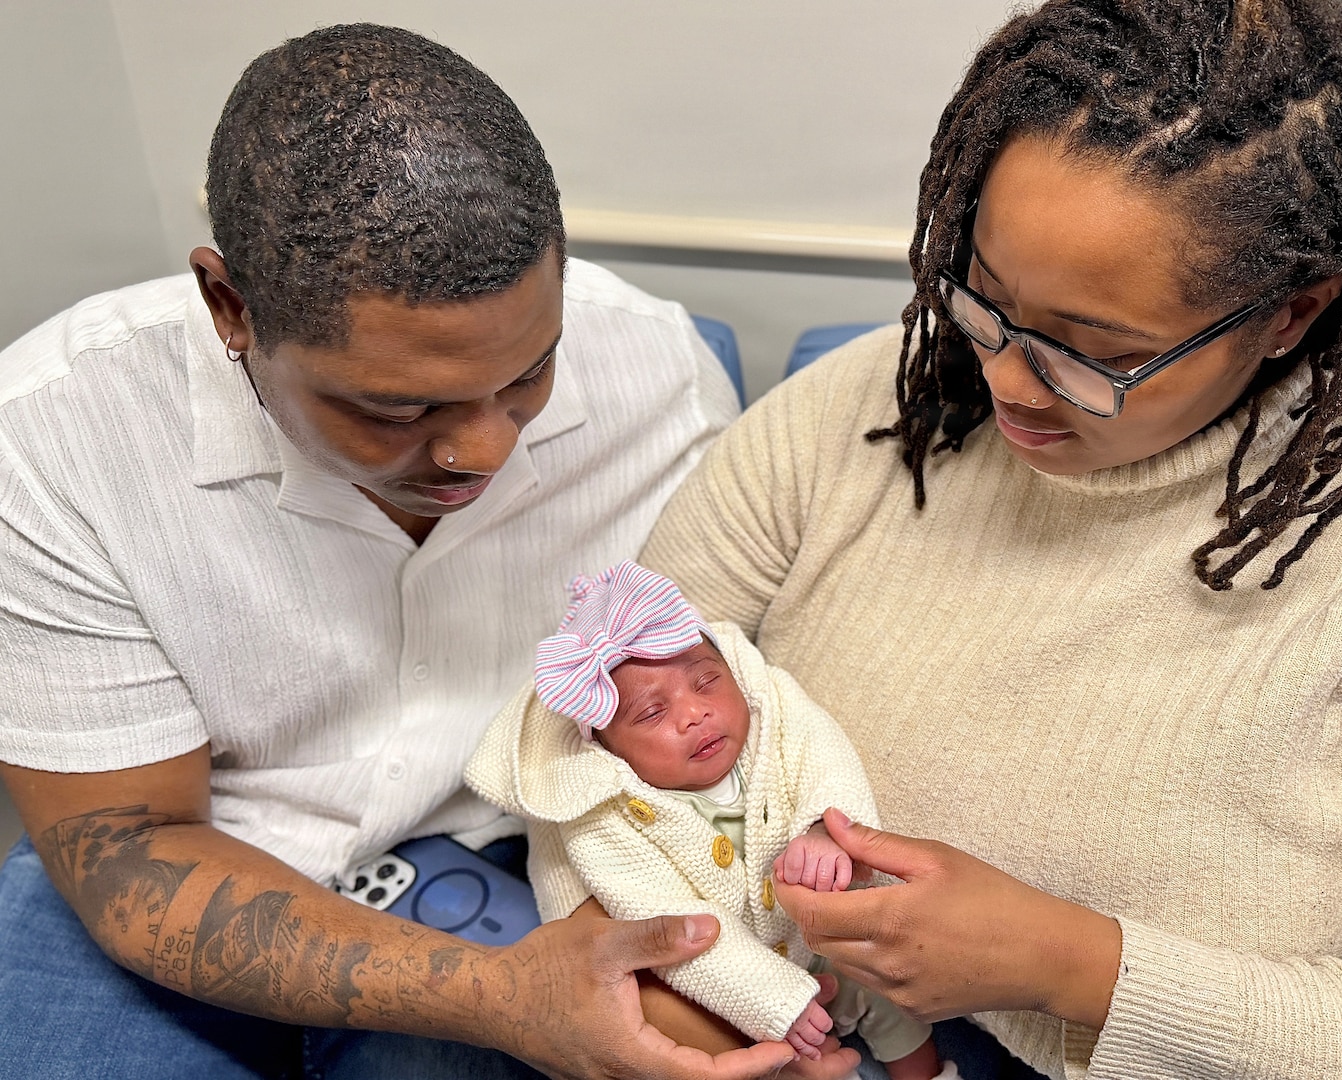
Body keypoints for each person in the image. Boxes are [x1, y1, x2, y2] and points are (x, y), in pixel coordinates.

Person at [640, 0, 1342, 1077]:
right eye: (984, 297)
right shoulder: (858, 412)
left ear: (1292, 314)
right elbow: (595, 737)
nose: (1006, 381)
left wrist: (1073, 967)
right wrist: (693, 996)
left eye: (1092, 351)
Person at [0, 23, 810, 1080]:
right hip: (186, 861)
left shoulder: (656, 373)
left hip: (512, 859)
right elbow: (126, 845)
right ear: (229, 308)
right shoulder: (52, 436)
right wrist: (500, 999)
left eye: (528, 376)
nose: (482, 448)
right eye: (396, 407)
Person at [467, 561, 956, 1080]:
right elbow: (667, 919)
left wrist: (824, 829)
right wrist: (770, 1000)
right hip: (730, 982)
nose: (694, 713)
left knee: (891, 995)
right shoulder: (606, 818)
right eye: (653, 714)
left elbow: (826, 757)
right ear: (610, 751)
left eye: (706, 681)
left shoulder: (773, 715)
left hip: (822, 943)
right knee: (761, 1053)